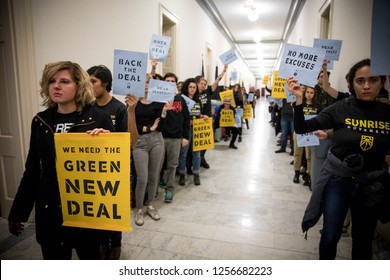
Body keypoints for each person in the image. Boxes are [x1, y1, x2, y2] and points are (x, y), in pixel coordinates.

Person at [7, 61, 115, 260]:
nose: (56, 86)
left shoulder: (98, 118)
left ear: (79, 86)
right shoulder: (41, 121)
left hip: (86, 210)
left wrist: (107, 142)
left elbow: (113, 169)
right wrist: (18, 212)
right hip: (50, 209)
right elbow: (32, 169)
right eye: (52, 81)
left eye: (64, 81)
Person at [287, 58, 390, 260]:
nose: (367, 86)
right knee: (330, 235)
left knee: (363, 239)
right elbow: (302, 128)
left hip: (370, 184)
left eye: (373, 80)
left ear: (381, 82)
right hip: (338, 181)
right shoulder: (341, 107)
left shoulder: (387, 113)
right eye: (360, 81)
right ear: (352, 83)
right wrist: (299, 101)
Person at [87, 65, 138, 259]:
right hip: (94, 169)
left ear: (105, 83)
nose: (89, 85)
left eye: (93, 81)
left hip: (116, 169)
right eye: (87, 81)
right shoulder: (87, 108)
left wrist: (131, 112)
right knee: (99, 209)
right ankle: (101, 243)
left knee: (114, 209)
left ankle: (115, 244)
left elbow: (132, 141)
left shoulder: (119, 109)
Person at [132, 74, 173, 226]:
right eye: (143, 81)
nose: (147, 85)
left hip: (157, 140)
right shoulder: (133, 102)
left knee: (154, 176)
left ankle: (150, 205)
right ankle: (139, 210)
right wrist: (146, 128)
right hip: (139, 142)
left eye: (149, 82)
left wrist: (164, 112)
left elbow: (160, 127)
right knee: (142, 178)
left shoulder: (158, 102)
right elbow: (129, 125)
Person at [160, 72, 190, 202]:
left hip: (175, 138)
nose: (170, 83)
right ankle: (153, 191)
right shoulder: (158, 98)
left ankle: (169, 190)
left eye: (173, 81)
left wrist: (185, 137)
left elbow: (186, 119)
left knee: (172, 165)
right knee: (158, 166)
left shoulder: (180, 99)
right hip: (160, 137)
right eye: (167, 81)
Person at [196, 64, 228, 169]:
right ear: (197, 84)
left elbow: (216, 82)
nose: (203, 86)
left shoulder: (207, 92)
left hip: (207, 120)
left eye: (205, 84)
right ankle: (196, 160)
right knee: (197, 142)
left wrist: (223, 71)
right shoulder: (193, 94)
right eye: (201, 84)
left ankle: (202, 158)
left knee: (206, 142)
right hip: (197, 120)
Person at [178, 78, 208, 186]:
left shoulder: (198, 100)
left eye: (194, 87)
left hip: (197, 129)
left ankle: (196, 174)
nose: (192, 89)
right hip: (185, 130)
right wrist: (188, 122)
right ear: (186, 87)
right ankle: (182, 174)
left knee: (197, 153)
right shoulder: (181, 99)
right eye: (190, 87)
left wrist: (202, 116)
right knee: (183, 153)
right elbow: (179, 115)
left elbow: (197, 113)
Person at [292, 85, 322, 189]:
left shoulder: (318, 107)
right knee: (297, 153)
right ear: (305, 93)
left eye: (311, 93)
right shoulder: (300, 104)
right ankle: (296, 173)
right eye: (307, 92)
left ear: (314, 95)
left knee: (309, 155)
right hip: (299, 133)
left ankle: (309, 175)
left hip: (311, 133)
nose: (309, 94)